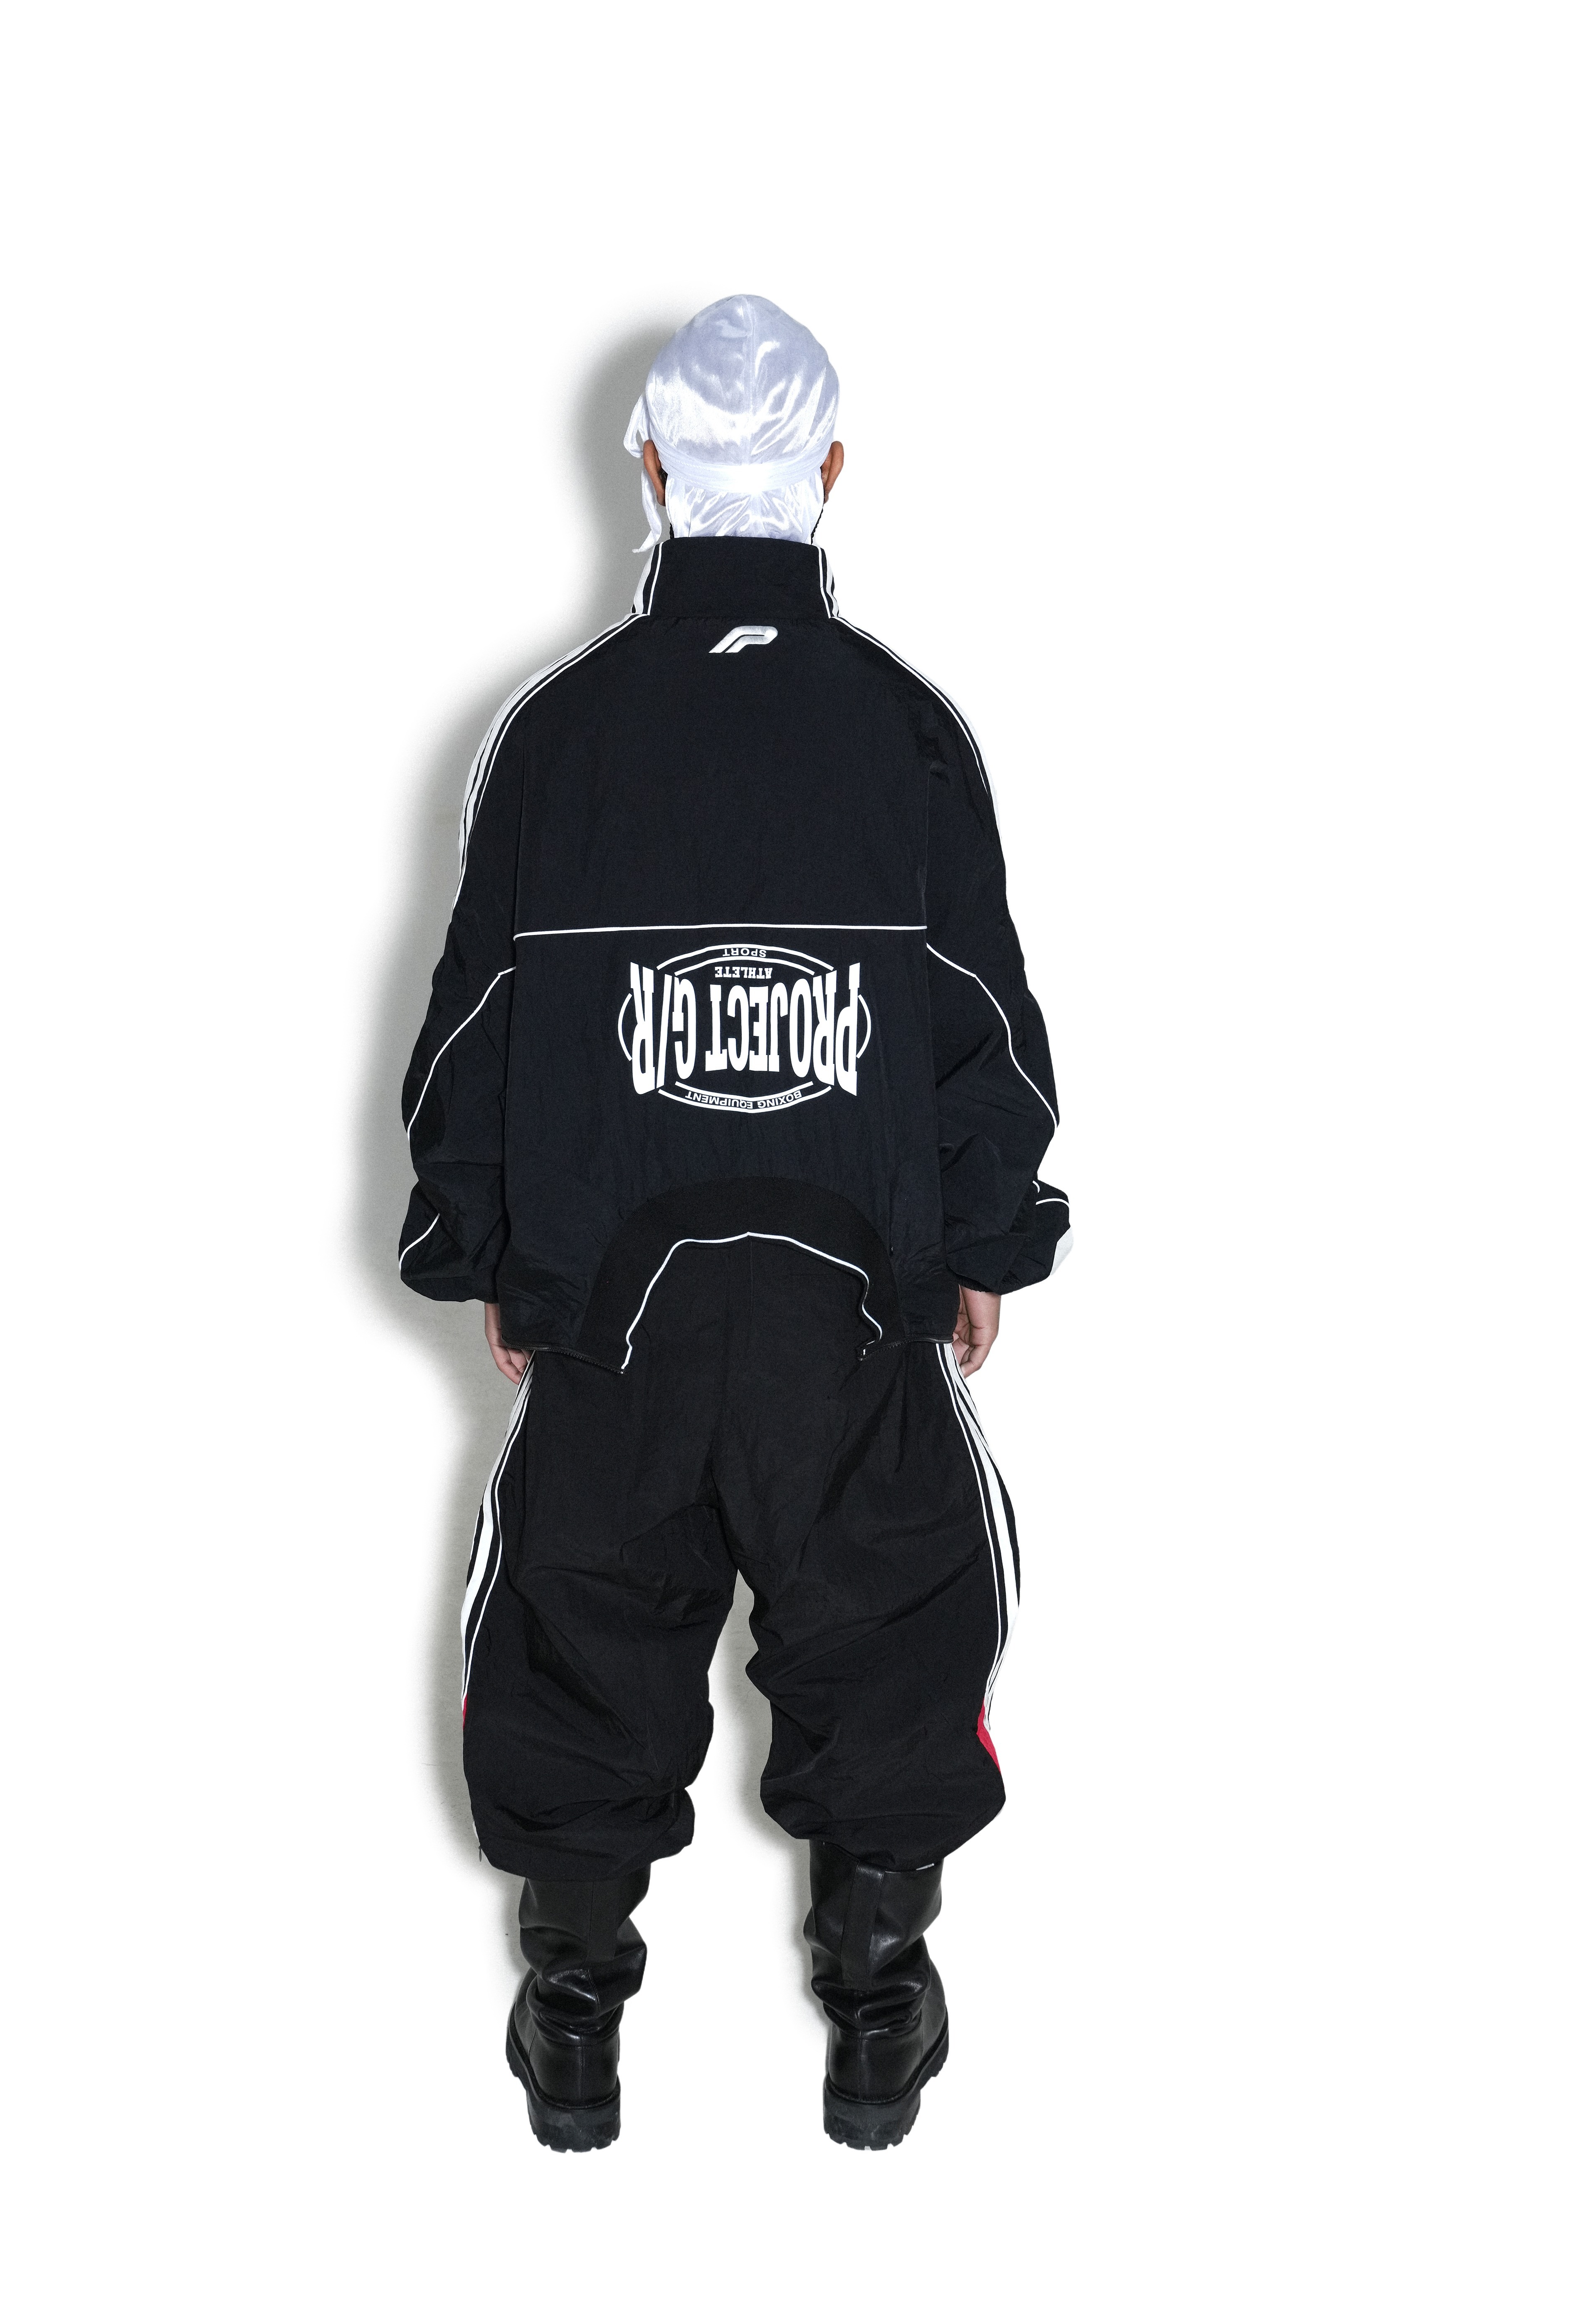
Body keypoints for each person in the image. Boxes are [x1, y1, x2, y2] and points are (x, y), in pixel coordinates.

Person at [399, 294, 1070, 2151]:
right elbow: (978, 1011)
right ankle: (877, 2003)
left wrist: (480, 1250)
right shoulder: (908, 732)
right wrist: (985, 1242)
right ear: (831, 470)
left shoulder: (553, 734)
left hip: (612, 1296)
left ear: (648, 468)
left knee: (574, 1627)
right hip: (851, 1297)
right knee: (899, 1619)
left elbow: (473, 1021)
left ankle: (574, 2016)